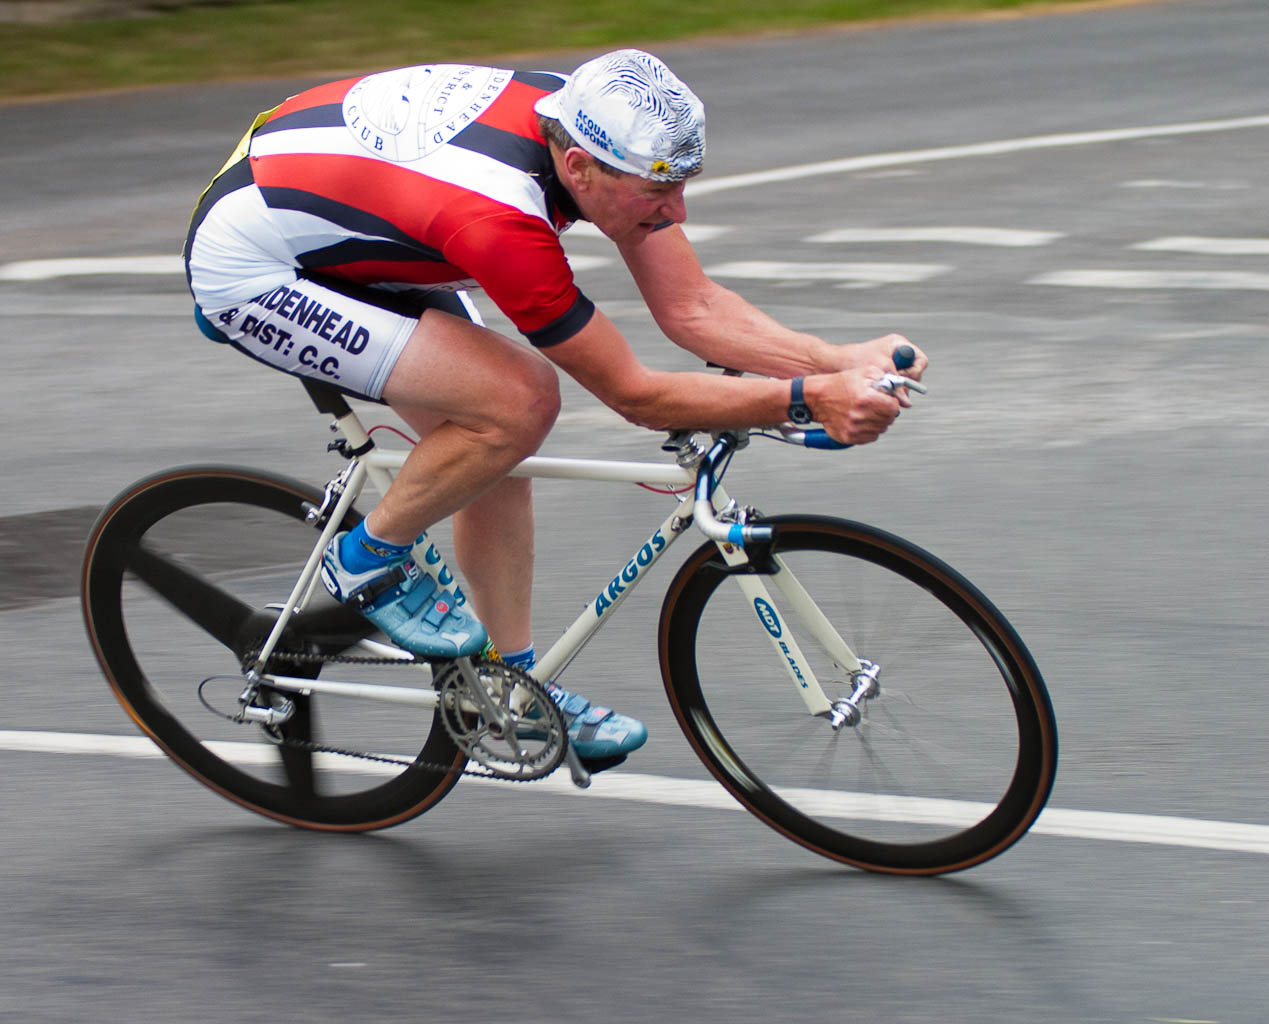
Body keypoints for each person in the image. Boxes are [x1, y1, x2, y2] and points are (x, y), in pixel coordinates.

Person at [183, 49, 926, 769]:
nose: (677, 210)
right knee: (517, 404)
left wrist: (840, 362)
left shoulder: (600, 132)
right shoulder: (501, 220)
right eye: (658, 194)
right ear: (577, 168)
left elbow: (692, 305)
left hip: (351, 213)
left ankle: (508, 691)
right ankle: (366, 559)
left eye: (684, 184)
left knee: (494, 451)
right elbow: (634, 395)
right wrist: (806, 400)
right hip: (258, 264)